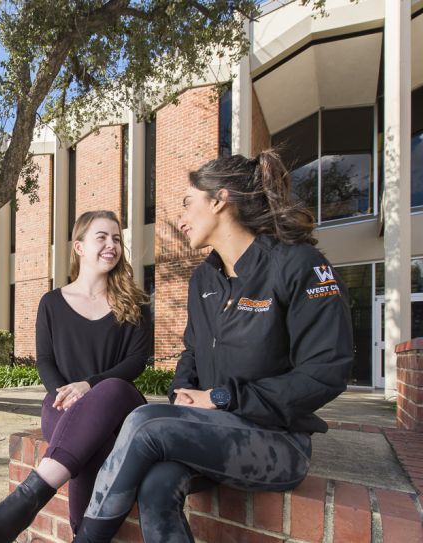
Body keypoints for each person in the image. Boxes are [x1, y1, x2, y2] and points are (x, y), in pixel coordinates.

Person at [72, 151, 354, 542]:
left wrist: (222, 398)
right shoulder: (203, 279)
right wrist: (183, 394)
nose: (182, 219)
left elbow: (326, 372)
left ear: (220, 200)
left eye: (188, 203)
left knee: (144, 420)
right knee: (155, 484)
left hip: (278, 442)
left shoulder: (300, 264)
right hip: (213, 429)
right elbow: (191, 353)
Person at [0, 210, 152, 543]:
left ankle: (23, 504)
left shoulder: (135, 302)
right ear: (79, 247)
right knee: (86, 440)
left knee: (109, 389)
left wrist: (89, 386)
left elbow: (136, 361)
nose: (112, 245)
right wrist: (65, 394)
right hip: (63, 405)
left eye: (117, 239)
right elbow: (46, 360)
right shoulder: (51, 303)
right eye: (102, 237)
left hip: (120, 405)